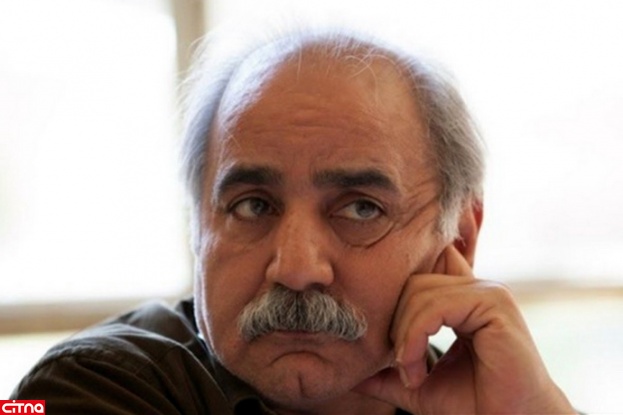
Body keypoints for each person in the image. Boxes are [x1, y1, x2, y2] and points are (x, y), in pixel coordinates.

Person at [12, 26, 577, 414]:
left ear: (458, 237)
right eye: (252, 205)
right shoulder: (91, 385)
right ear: (198, 228)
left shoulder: (476, 396)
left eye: (361, 208)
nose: (298, 269)